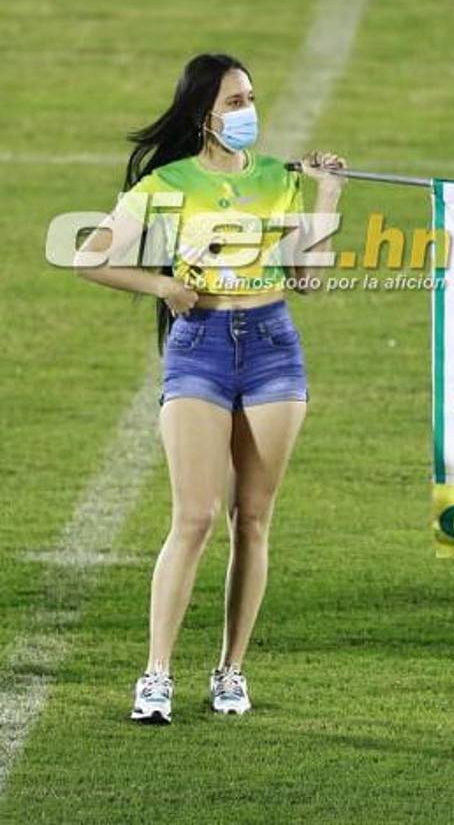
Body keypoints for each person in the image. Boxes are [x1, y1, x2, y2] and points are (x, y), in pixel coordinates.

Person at [73, 52, 346, 724]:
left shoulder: (276, 180)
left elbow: (309, 279)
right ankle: (156, 674)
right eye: (234, 102)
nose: (248, 111)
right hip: (199, 350)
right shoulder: (169, 182)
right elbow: (90, 256)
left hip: (273, 348)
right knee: (193, 517)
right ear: (203, 116)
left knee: (251, 520)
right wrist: (163, 285)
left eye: (251, 97)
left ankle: (230, 671)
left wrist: (328, 196)